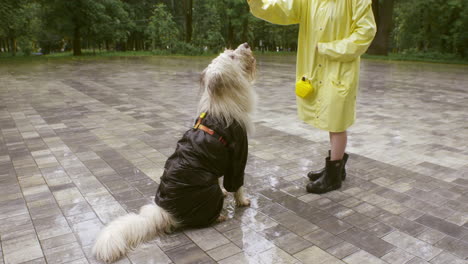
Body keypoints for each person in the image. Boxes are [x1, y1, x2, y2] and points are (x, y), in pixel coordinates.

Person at [247, 0, 376, 194]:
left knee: (337, 121)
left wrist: (330, 48)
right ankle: (336, 166)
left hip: (340, 69)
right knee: (331, 119)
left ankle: (333, 177)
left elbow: (365, 31)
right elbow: (282, 9)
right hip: (316, 69)